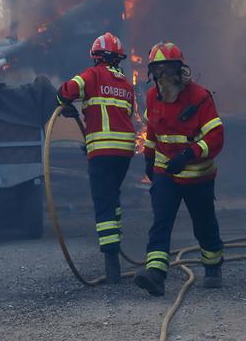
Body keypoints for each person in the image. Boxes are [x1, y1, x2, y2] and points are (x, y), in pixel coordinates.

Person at [133, 42, 225, 296]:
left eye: (167, 69)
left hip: (198, 175)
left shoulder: (200, 97)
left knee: (204, 224)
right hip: (166, 173)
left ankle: (213, 265)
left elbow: (216, 136)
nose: (162, 77)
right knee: (161, 222)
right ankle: (156, 275)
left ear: (179, 70)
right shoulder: (152, 96)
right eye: (157, 71)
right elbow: (152, 131)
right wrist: (149, 159)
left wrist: (189, 154)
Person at [57, 32, 136, 283]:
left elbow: (67, 90)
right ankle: (117, 246)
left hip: (102, 151)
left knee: (103, 202)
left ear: (96, 58)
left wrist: (64, 102)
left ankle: (111, 263)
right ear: (119, 59)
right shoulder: (126, 84)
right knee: (113, 197)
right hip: (124, 151)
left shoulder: (92, 75)